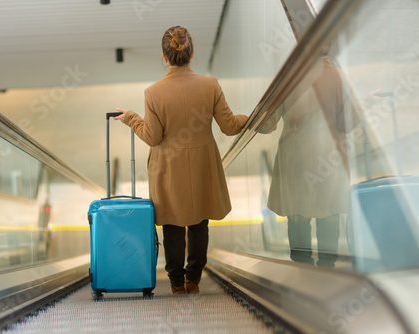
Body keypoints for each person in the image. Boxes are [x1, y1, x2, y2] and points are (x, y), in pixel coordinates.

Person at [114, 26, 248, 294]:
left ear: (164, 57)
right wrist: (254, 116)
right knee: (199, 222)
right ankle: (193, 280)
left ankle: (176, 283)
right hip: (202, 163)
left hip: (168, 166)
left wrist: (131, 118)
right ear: (192, 53)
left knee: (173, 226)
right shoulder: (211, 85)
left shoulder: (153, 93)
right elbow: (230, 126)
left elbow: (153, 137)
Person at [263, 54, 362, 268]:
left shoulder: (287, 78)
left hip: (294, 155)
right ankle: (327, 265)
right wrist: (363, 106)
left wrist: (244, 121)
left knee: (297, 213)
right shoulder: (338, 76)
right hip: (329, 155)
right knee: (329, 211)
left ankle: (301, 265)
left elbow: (267, 122)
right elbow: (347, 123)